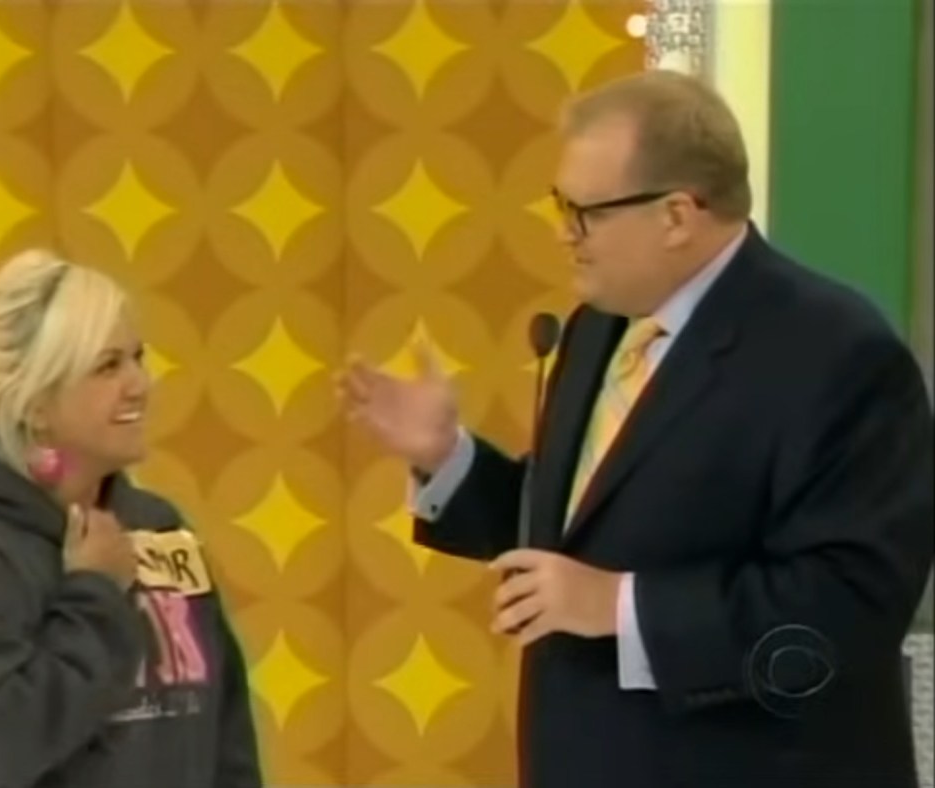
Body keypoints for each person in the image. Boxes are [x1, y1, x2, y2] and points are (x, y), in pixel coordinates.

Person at [338, 70, 933, 788]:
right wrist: (447, 457)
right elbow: (586, 529)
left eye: (585, 213)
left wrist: (619, 607)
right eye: (560, 205)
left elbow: (846, 610)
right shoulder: (597, 328)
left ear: (677, 215)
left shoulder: (834, 353)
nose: (564, 234)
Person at [0, 250, 263, 788]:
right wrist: (95, 596)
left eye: (137, 358)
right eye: (107, 367)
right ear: (35, 404)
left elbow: (225, 734)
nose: (139, 384)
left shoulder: (159, 529)